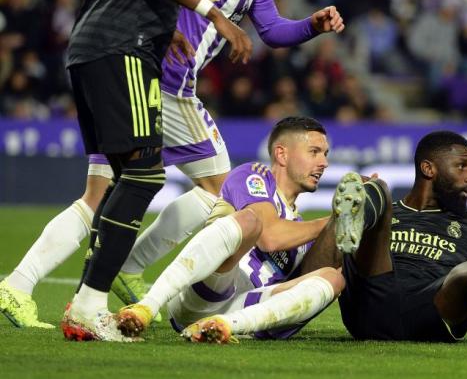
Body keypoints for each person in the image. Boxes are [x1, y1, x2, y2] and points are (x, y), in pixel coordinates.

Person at [0, 0, 345, 331]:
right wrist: (187, 28)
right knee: (221, 189)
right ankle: (129, 266)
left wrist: (311, 26)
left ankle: (20, 283)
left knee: (101, 191)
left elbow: (271, 30)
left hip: (133, 65)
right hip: (165, 79)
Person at [298, 130, 467, 341]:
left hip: (432, 312)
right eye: (462, 167)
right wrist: (339, 219)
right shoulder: (386, 212)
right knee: (376, 188)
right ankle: (352, 214)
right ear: (429, 169)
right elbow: (309, 276)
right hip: (371, 300)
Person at [116, 116, 343, 342]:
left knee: (334, 279)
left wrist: (367, 216)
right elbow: (270, 238)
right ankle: (146, 307)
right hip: (208, 290)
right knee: (250, 222)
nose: (323, 162)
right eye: (314, 152)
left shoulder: (304, 230)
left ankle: (222, 327)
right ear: (281, 154)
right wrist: (335, 220)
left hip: (247, 309)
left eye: (325, 154)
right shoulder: (254, 176)